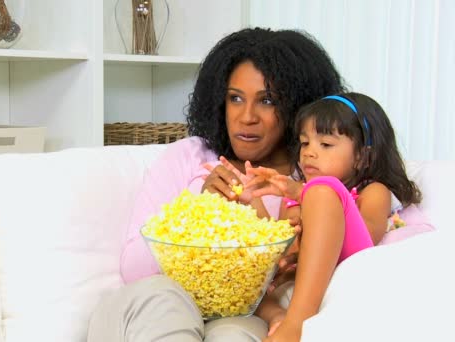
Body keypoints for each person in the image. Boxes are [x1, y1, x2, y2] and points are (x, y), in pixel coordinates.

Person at [87, 27, 346, 342]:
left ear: (296, 107)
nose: (246, 116)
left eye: (266, 101)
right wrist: (201, 209)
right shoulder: (188, 156)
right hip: (152, 307)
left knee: (235, 333)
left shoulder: (311, 180)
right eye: (235, 98)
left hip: (245, 315)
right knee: (165, 300)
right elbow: (135, 268)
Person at [242, 92, 422, 342]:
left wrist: (305, 192)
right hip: (300, 278)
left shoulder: (373, 191)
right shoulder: (293, 195)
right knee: (254, 289)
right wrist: (252, 199)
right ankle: (278, 318)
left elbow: (366, 237)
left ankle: (297, 323)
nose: (309, 153)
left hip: (348, 259)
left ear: (363, 156)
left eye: (325, 144)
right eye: (305, 143)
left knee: (323, 191)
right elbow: (279, 242)